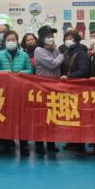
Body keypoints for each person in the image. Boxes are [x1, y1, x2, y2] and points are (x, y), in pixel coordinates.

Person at [0, 30, 33, 156]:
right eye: (8, 40)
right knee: (5, 118)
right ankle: (6, 143)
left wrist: (23, 73)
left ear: (17, 41)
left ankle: (24, 145)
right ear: (5, 42)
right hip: (5, 91)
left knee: (22, 119)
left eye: (13, 39)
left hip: (21, 91)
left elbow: (30, 70)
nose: (11, 42)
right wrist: (3, 73)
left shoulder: (24, 55)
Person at [60, 29, 90, 156]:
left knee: (79, 117)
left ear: (77, 40)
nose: (68, 40)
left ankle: (80, 145)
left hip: (79, 88)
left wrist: (69, 77)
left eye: (71, 38)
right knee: (71, 116)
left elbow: (84, 70)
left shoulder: (81, 53)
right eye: (67, 38)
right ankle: (72, 141)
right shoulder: (66, 52)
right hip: (69, 89)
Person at [33, 25, 63, 154]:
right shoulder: (39, 50)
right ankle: (39, 145)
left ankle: (51, 143)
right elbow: (53, 64)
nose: (51, 38)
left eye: (52, 35)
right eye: (48, 36)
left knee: (52, 117)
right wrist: (61, 56)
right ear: (42, 37)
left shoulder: (55, 49)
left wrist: (57, 53)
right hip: (43, 88)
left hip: (55, 87)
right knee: (41, 118)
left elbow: (56, 62)